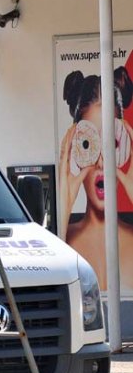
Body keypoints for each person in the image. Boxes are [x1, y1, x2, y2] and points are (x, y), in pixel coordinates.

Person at [59, 67, 133, 290]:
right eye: (89, 144)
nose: (102, 163)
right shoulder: (62, 243)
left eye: (113, 144)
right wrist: (63, 209)